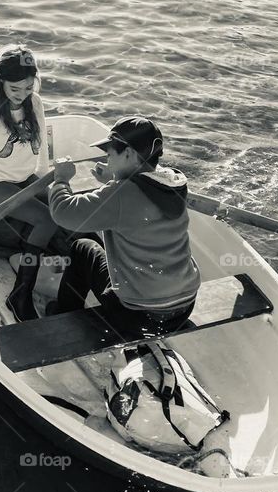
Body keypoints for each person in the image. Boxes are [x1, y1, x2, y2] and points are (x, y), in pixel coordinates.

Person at [47, 116, 201, 335]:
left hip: (138, 316)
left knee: (82, 248)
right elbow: (137, 197)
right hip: (184, 307)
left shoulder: (120, 195)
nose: (107, 160)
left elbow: (63, 212)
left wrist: (61, 180)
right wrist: (114, 178)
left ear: (128, 153)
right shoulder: (173, 184)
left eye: (110, 155)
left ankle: (63, 316)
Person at [0, 45, 62, 322]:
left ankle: (58, 275)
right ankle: (20, 295)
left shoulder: (35, 102)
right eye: (15, 89)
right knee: (45, 220)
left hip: (26, 179)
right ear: (0, 81)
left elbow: (42, 147)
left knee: (62, 210)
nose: (22, 95)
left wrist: (44, 182)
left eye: (28, 87)